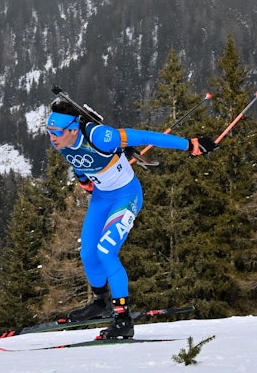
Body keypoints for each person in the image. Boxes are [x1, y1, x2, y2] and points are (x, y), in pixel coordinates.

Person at [46, 100, 216, 339]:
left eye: (57, 133)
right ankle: (100, 302)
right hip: (101, 198)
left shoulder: (102, 137)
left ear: (74, 129)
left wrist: (190, 144)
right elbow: (78, 161)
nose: (52, 138)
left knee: (106, 251)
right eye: (49, 133)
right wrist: (84, 180)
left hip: (126, 196)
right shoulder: (62, 142)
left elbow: (148, 136)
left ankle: (123, 319)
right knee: (88, 253)